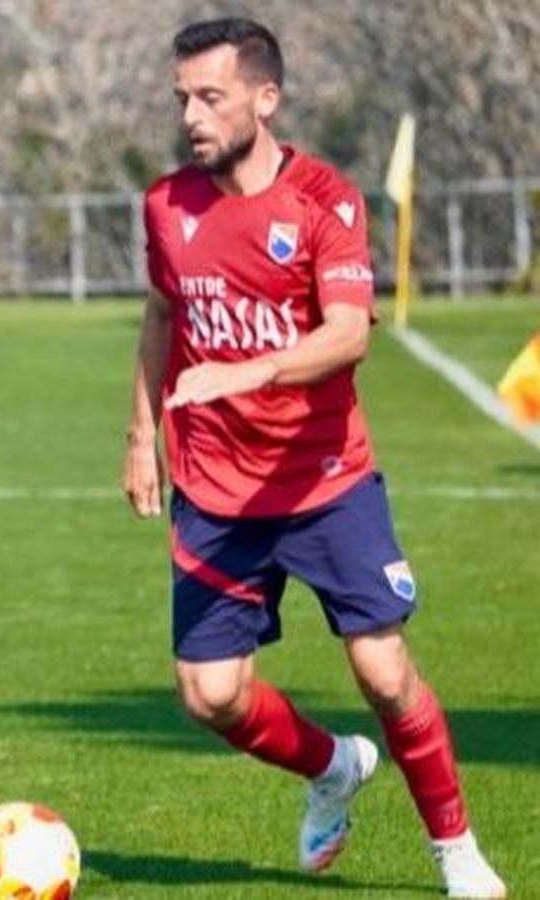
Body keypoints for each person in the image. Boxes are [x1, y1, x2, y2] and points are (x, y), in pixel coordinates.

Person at [124, 18, 506, 898]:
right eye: (182, 97)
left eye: (210, 96)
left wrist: (242, 371)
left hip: (325, 481)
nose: (191, 114)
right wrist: (142, 436)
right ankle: (333, 768)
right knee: (210, 695)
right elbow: (159, 315)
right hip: (215, 491)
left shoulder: (325, 201)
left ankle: (454, 850)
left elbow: (344, 339)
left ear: (265, 98)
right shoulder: (164, 205)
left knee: (382, 668)